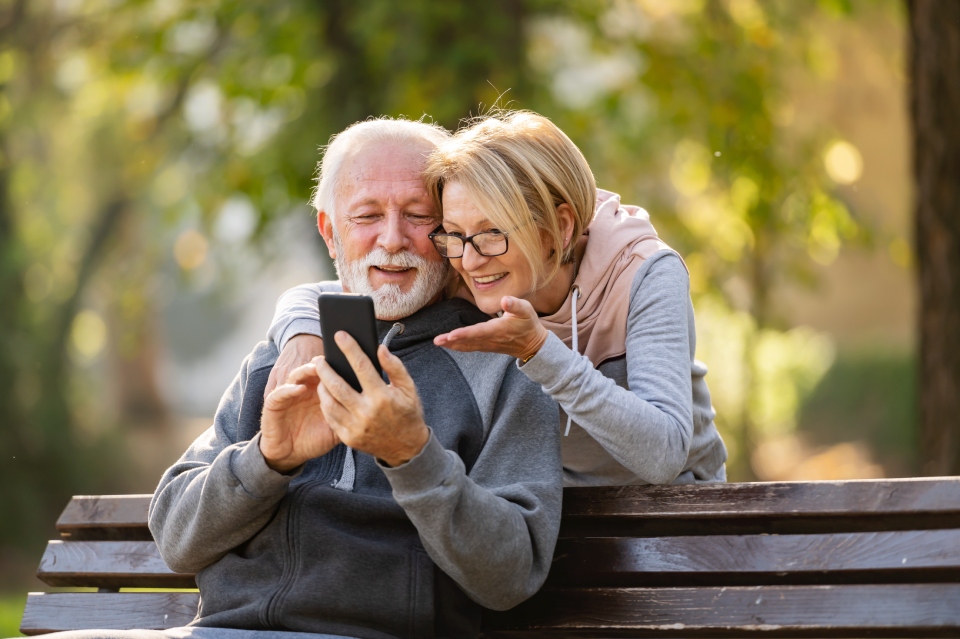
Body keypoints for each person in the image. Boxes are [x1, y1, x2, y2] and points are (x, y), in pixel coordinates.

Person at [52, 118, 562, 639]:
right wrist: (267, 460)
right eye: (366, 215)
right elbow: (177, 541)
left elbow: (511, 575)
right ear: (329, 232)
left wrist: (413, 456)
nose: (391, 239)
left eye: (418, 216)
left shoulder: (506, 364)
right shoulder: (282, 355)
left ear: (451, 232)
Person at [266, 111, 726, 488]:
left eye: (491, 234)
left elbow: (664, 455)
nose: (469, 260)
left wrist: (539, 352)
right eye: (455, 235)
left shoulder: (643, 272)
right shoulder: (470, 264)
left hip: (673, 512)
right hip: (547, 513)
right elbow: (366, 283)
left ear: (559, 228)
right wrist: (301, 331)